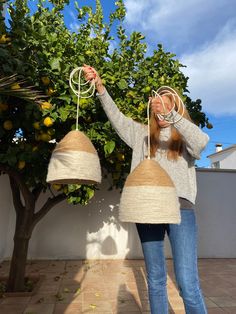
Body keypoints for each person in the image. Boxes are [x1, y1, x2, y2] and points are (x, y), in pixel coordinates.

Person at [82, 64, 209, 314]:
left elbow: (202, 143)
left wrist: (173, 116)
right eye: (159, 105)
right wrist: (99, 86)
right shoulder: (141, 135)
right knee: (156, 280)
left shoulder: (184, 137)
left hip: (180, 210)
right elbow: (116, 117)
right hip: (147, 211)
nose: (161, 109)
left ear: (176, 108)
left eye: (168, 105)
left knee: (187, 282)